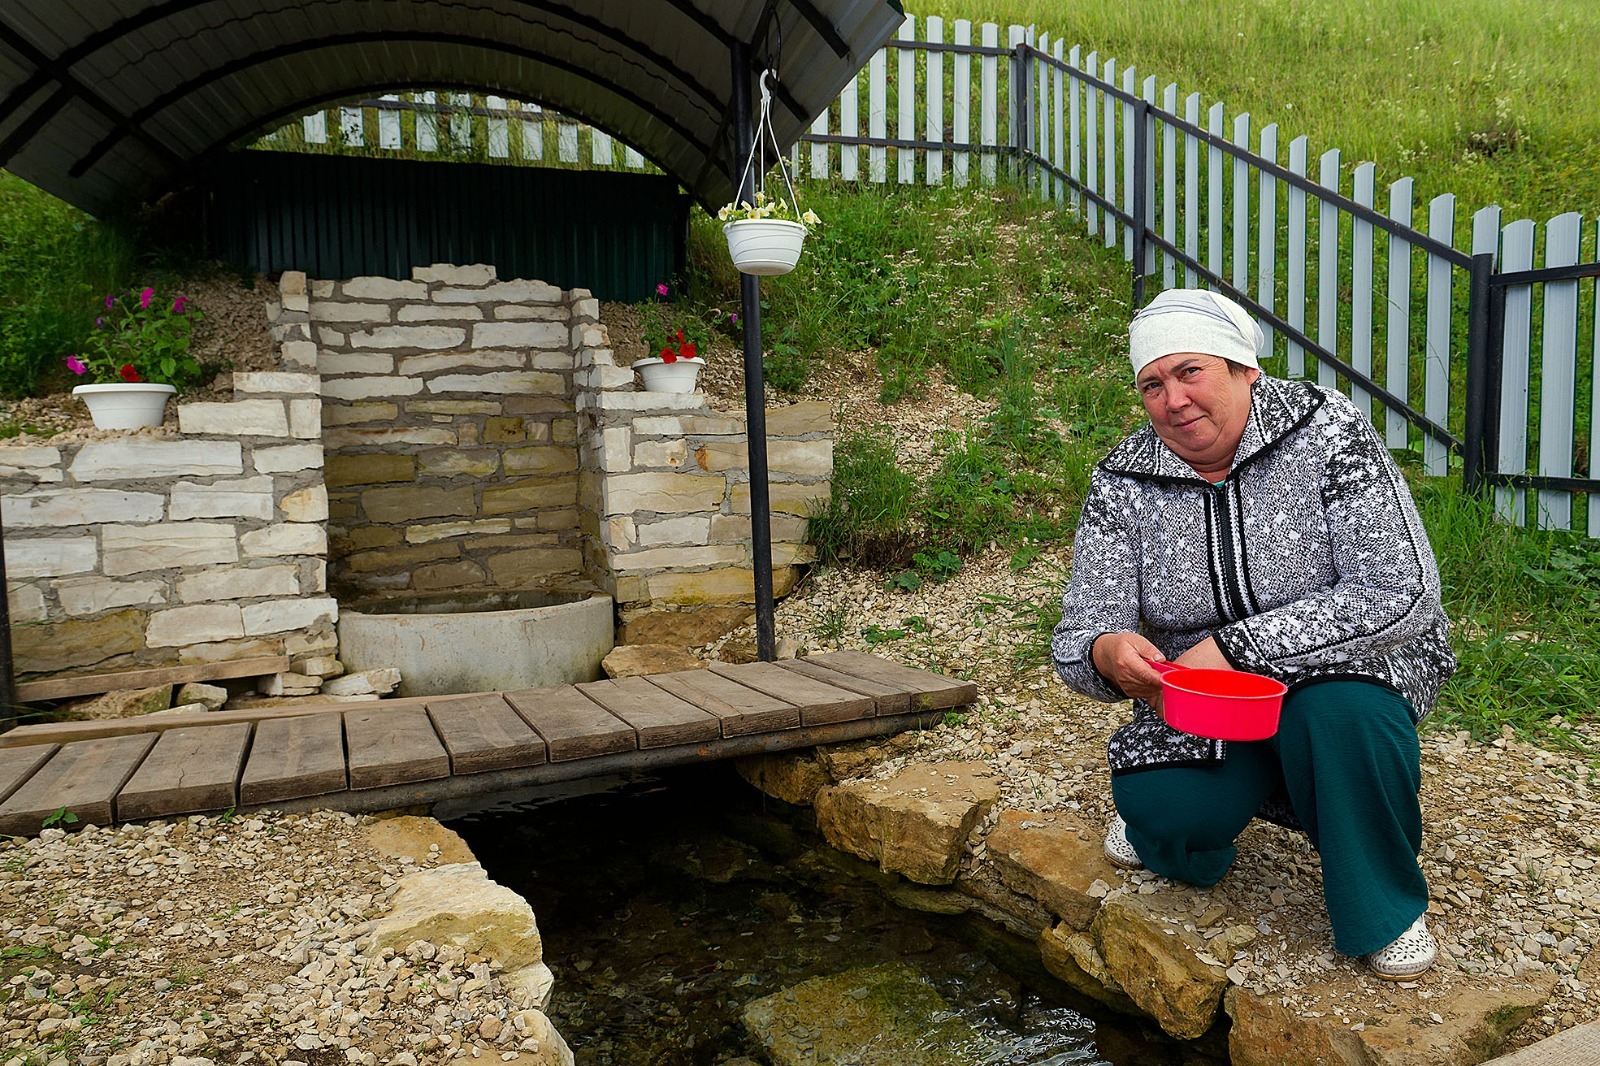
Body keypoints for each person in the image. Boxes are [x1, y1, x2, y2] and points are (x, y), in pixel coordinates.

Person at [1051, 288, 1457, 980]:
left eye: (1191, 372)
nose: (1173, 399)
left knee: (1342, 718)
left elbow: (1401, 591)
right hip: (1210, 697)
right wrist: (1103, 651)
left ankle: (1383, 907)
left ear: (1245, 370)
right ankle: (1237, 794)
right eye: (1152, 383)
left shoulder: (1326, 430)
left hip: (1346, 665)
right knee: (1165, 815)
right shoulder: (1122, 478)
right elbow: (1079, 628)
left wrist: (1241, 647)